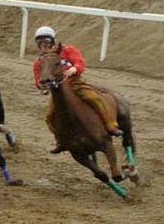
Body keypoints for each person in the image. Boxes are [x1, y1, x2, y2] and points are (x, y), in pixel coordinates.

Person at [32, 25, 122, 153]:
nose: (43, 46)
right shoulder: (39, 62)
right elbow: (37, 79)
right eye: (39, 43)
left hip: (76, 85)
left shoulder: (68, 50)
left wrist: (74, 69)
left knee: (96, 99)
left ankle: (111, 126)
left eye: (46, 42)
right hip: (59, 92)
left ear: (53, 41)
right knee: (49, 117)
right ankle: (60, 140)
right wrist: (42, 85)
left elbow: (80, 62)